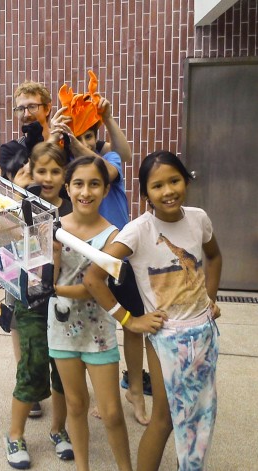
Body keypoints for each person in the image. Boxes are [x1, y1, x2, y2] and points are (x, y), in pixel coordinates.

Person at [83, 150, 222, 470]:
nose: (168, 191)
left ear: (185, 180)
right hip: (166, 337)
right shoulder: (138, 230)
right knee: (165, 416)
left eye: (174, 180)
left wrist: (210, 299)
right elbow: (94, 277)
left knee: (202, 413)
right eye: (157, 186)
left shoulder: (198, 218)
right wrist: (129, 319)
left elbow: (214, 257)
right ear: (146, 194)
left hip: (203, 333)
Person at [47, 156, 162, 471]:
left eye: (94, 184)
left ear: (105, 188)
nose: (86, 191)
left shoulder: (113, 235)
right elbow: (49, 279)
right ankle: (82, 467)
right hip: (61, 329)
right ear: (67, 188)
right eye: (79, 184)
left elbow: (92, 287)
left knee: (111, 412)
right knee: (75, 404)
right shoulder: (54, 228)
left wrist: (54, 289)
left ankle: (125, 467)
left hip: (99, 332)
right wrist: (54, 259)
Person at [51, 73, 151, 425]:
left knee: (133, 322)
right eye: (80, 136)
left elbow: (113, 161)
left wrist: (100, 124)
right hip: (83, 258)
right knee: (90, 325)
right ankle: (99, 388)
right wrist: (53, 136)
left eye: (91, 134)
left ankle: (136, 389)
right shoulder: (69, 171)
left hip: (120, 254)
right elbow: (43, 170)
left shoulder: (105, 159)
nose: (86, 142)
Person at [4, 142, 74, 469]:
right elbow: (1, 237)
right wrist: (16, 198)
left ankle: (59, 430)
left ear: (65, 174)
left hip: (67, 300)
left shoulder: (75, 208)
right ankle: (15, 434)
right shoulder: (21, 204)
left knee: (63, 372)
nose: (47, 177)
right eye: (41, 170)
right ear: (30, 170)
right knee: (31, 365)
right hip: (31, 298)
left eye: (55, 171)